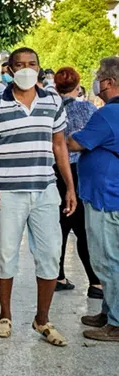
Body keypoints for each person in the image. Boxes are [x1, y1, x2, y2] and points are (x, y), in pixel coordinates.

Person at [0, 47, 76, 347]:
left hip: (44, 189)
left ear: (40, 66)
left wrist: (69, 186)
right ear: (10, 69)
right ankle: (4, 315)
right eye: (20, 64)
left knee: (50, 255)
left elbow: (59, 146)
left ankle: (42, 319)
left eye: (32, 63)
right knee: (6, 254)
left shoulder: (53, 101)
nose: (26, 69)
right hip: (8, 192)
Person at [67, 56, 119, 342]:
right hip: (111, 194)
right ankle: (109, 312)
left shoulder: (108, 114)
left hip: (105, 197)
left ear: (109, 82)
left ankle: (117, 322)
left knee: (106, 260)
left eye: (99, 75)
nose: (96, 79)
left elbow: (77, 142)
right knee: (112, 258)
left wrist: (73, 134)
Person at [50, 67, 101, 298]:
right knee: (82, 228)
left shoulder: (50, 108)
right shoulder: (88, 108)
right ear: (78, 85)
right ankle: (95, 281)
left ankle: (57, 275)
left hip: (54, 171)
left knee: (59, 226)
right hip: (78, 171)